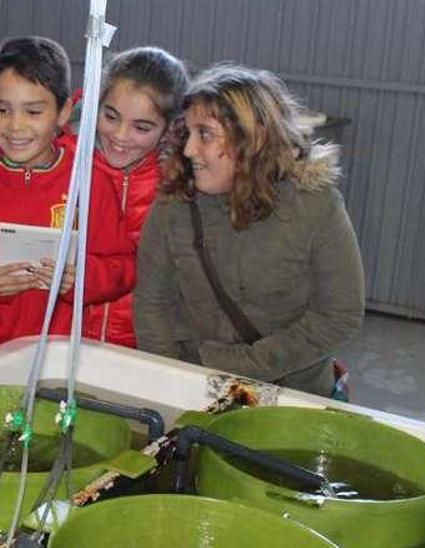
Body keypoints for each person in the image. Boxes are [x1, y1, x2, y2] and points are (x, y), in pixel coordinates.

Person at [133, 64, 365, 397]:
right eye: (188, 132)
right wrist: (169, 385)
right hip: (194, 387)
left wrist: (244, 363)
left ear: (253, 139)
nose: (188, 150)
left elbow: (340, 313)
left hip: (293, 396)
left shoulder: (316, 205)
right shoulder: (174, 203)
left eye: (206, 134)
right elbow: (152, 305)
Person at [0, 37, 134, 354]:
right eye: (2, 109)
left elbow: (123, 267)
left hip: (60, 356)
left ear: (63, 112)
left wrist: (81, 278)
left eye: (33, 112)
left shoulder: (89, 180)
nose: (15, 126)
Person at [78, 47, 189, 348]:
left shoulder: (179, 189)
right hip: (67, 343)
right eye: (110, 116)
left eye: (141, 127)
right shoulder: (69, 171)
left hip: (145, 351)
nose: (121, 136)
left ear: (169, 128)